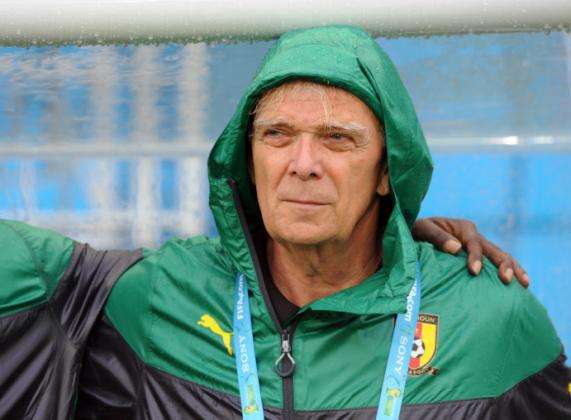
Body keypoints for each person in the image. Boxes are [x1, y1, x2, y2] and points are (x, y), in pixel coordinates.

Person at [0, 25, 568, 419]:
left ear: (386, 171)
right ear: (248, 160)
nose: (303, 164)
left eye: (337, 139)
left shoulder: (490, 319)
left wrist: (401, 240)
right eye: (276, 135)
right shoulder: (158, 295)